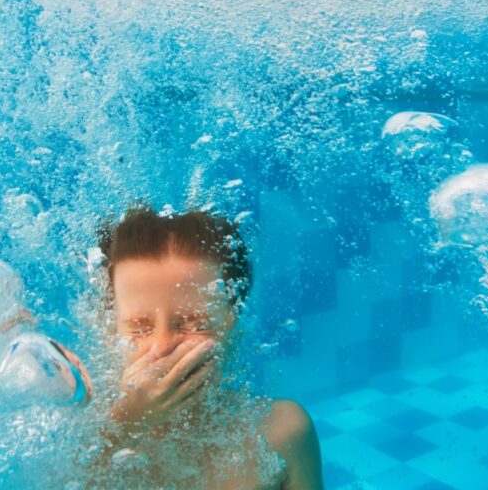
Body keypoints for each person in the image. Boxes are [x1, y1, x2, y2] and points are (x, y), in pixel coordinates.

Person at [94, 205, 324, 489]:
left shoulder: (282, 432)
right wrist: (128, 420)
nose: (163, 345)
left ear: (235, 323)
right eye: (140, 327)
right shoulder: (85, 443)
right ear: (109, 330)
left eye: (195, 323)